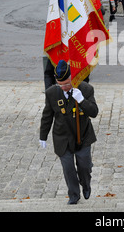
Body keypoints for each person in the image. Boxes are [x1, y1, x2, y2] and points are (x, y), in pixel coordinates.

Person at [39, 60, 98, 205]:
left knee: (84, 166)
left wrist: (82, 100)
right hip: (62, 137)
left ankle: (86, 183)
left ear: (73, 77)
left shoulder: (85, 89)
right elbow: (47, 116)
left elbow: (94, 112)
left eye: (67, 83)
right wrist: (43, 136)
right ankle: (73, 195)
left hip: (82, 135)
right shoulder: (52, 93)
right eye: (61, 84)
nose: (64, 87)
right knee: (68, 168)